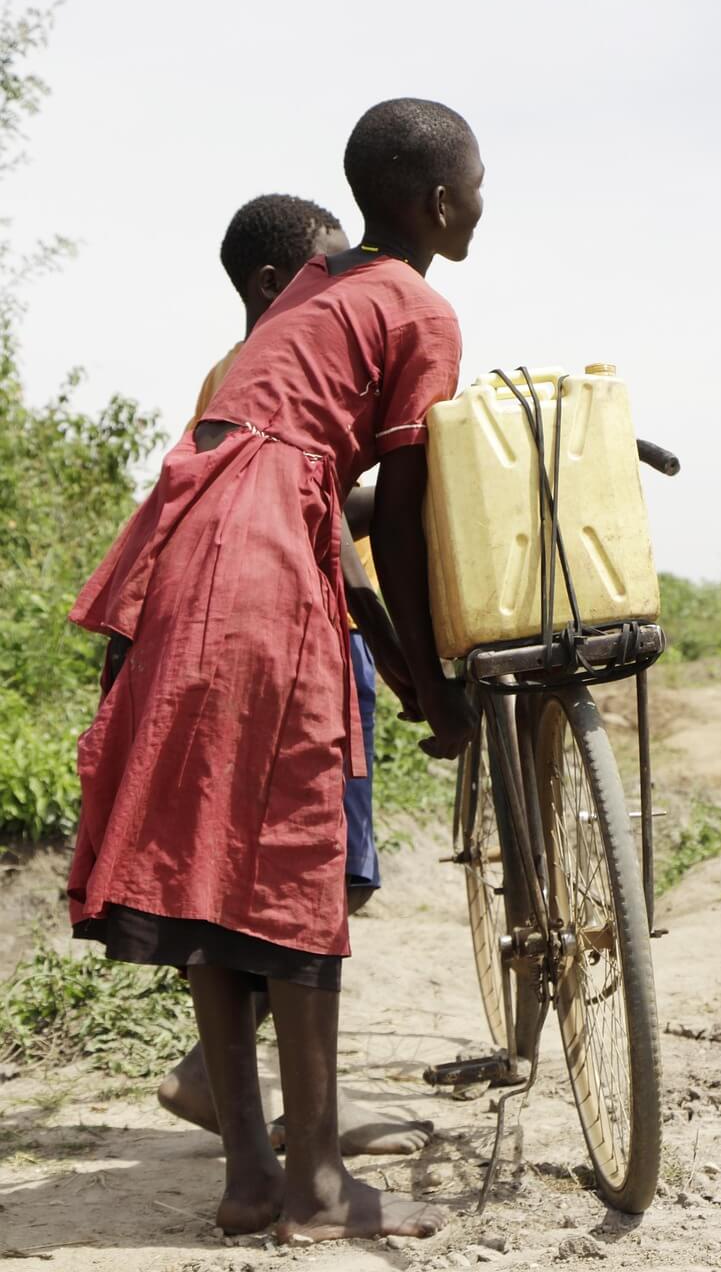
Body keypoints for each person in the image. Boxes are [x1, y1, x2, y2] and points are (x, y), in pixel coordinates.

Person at [67, 96, 484, 1244]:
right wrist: (438, 687)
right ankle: (313, 1193)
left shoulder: (315, 287)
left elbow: (296, 482)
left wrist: (406, 681)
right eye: (477, 185)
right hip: (258, 553)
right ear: (442, 203)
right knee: (296, 841)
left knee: (213, 844)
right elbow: (389, 526)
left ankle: (254, 1175)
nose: (482, 203)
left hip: (180, 537)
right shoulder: (421, 307)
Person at [157, 192, 432, 1156]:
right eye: (326, 267)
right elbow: (311, 510)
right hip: (308, 631)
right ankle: (292, 1116)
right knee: (321, 874)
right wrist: (407, 666)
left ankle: (257, 1111)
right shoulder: (268, 362)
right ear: (278, 283)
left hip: (261, 626)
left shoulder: (236, 370)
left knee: (290, 874)